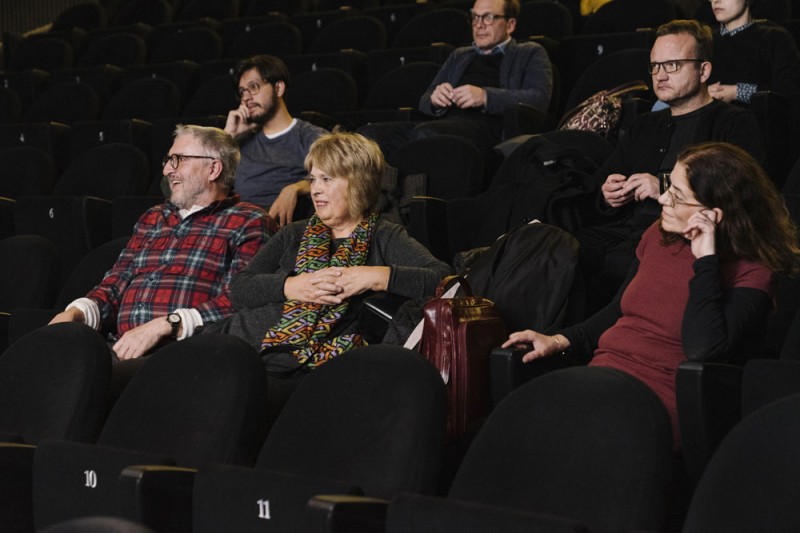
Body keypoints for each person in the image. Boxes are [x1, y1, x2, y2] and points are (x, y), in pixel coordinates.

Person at [503, 142, 800, 446]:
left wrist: (706, 261)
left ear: (714, 215)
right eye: (668, 187)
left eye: (677, 196)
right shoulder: (658, 235)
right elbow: (620, 311)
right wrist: (559, 339)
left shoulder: (754, 270)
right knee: (521, 426)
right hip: (603, 378)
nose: (663, 199)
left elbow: (704, 348)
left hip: (666, 398)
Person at [205, 131, 452, 416]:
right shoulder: (293, 233)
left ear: (357, 183)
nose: (315, 190)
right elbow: (240, 289)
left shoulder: (384, 235)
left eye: (327, 179)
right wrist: (291, 286)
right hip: (259, 348)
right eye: (312, 179)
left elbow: (442, 279)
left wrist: (374, 276)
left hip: (325, 367)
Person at [578, 19, 764, 315]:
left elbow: (740, 195)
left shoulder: (733, 122)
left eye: (673, 65)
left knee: (620, 264)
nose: (660, 76)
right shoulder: (642, 125)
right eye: (655, 66)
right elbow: (602, 183)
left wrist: (661, 186)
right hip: (624, 230)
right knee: (564, 250)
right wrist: (608, 192)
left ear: (703, 70)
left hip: (682, 236)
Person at [49, 125, 272, 361]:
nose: (167, 170)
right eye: (167, 160)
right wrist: (77, 312)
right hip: (120, 348)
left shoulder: (249, 220)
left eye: (178, 160)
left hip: (184, 354)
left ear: (213, 168)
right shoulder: (154, 217)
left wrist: (167, 324)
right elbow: (115, 284)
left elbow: (241, 300)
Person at [360, 0, 552, 157]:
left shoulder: (530, 52)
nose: (479, 24)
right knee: (369, 136)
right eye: (475, 17)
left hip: (488, 129)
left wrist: (485, 97)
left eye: (488, 17)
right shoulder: (460, 55)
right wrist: (435, 99)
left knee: (427, 135)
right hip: (443, 123)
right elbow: (425, 100)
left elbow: (538, 98)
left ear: (510, 24)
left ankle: (413, 199)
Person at [225, 54, 328, 226]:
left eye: (254, 87)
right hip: (231, 224)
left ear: (278, 88)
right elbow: (203, 176)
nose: (246, 98)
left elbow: (339, 176)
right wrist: (229, 135)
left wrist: (295, 188)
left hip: (273, 229)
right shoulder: (238, 140)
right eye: (242, 91)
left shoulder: (311, 137)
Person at [707, 0, 800, 104]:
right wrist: (702, 94)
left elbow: (789, 91)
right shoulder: (704, 40)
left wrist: (738, 92)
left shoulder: (775, 37)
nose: (716, 1)